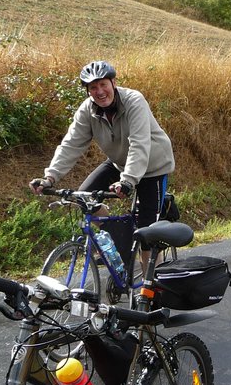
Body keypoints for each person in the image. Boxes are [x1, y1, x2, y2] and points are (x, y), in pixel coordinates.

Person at [30, 60, 175, 264]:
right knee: (84, 199)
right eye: (93, 87)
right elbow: (71, 145)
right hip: (119, 163)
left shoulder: (134, 101)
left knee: (146, 234)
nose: (99, 91)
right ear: (88, 91)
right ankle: (121, 237)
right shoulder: (87, 110)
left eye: (103, 85)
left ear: (113, 83)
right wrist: (50, 177)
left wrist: (128, 181)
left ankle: (152, 291)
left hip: (153, 167)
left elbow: (139, 144)